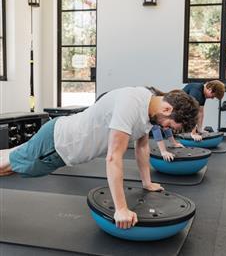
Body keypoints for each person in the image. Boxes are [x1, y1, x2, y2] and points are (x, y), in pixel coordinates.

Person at [0, 86, 199, 229]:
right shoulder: (130, 105)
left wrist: (147, 183)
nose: (165, 129)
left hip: (61, 141)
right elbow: (113, 157)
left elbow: (142, 146)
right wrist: (121, 209)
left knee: (12, 159)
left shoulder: (148, 106)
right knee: (9, 168)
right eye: (169, 125)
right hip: (58, 144)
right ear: (167, 109)